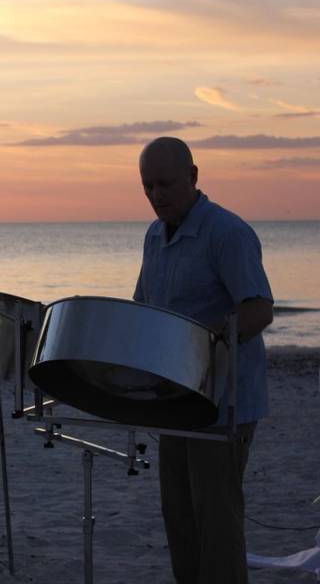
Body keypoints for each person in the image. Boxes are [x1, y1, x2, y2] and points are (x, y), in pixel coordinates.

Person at [134, 137, 274, 584]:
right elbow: (143, 308)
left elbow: (258, 309)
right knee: (179, 515)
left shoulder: (227, 233)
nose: (157, 195)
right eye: (148, 186)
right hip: (174, 399)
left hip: (222, 401)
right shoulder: (154, 236)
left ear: (194, 177)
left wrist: (200, 341)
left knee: (216, 519)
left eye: (166, 183)